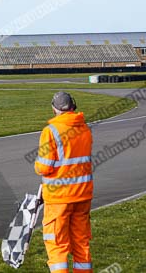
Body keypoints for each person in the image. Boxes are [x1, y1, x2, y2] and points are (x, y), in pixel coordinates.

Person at [33, 92, 93, 273]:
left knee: (57, 244)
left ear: (54, 108)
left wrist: (37, 165)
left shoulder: (50, 131)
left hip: (59, 198)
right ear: (73, 106)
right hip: (83, 195)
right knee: (81, 242)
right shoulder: (84, 128)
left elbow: (44, 167)